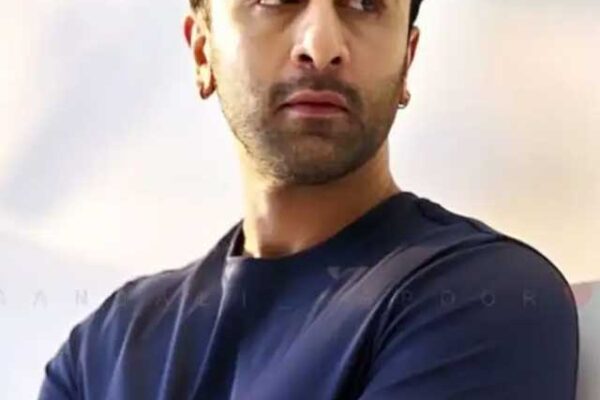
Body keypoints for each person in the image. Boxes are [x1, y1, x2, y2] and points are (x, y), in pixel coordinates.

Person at [38, 0, 579, 398]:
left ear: (407, 61)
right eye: (276, 0)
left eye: (364, 4)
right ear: (203, 49)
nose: (321, 46)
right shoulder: (105, 347)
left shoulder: (481, 299)